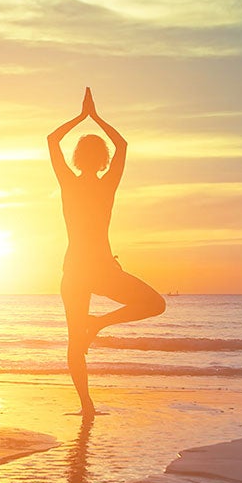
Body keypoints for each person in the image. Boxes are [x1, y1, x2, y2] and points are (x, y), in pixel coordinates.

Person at [46, 88, 166, 417]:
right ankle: (98, 324)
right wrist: (96, 118)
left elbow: (52, 140)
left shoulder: (68, 183)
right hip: (98, 267)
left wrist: (81, 118)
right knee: (155, 303)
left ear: (78, 159)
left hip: (78, 269)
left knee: (75, 341)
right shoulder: (106, 184)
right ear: (103, 160)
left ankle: (87, 406)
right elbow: (123, 145)